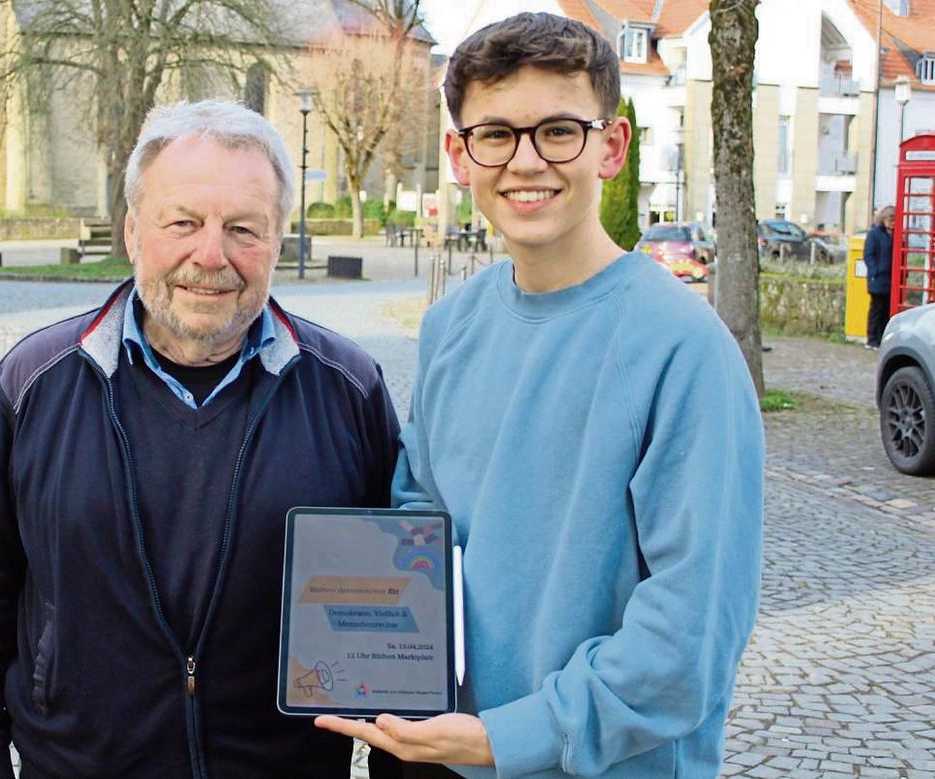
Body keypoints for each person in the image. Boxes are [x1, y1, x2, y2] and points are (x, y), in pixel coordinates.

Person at [317, 13, 764, 778]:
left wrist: (506, 738)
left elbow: (688, 638)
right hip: (446, 757)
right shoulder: (452, 325)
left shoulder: (685, 351)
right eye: (495, 134)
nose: (526, 162)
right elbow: (421, 524)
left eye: (559, 130)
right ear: (459, 154)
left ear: (611, 146)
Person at [0, 100, 400, 778]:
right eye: (183, 222)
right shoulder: (33, 383)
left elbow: (391, 622)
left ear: (279, 239)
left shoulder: (348, 390)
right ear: (132, 231)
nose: (211, 255)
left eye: (244, 228)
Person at [865, 205, 895, 349]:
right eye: (890, 219)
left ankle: (883, 338)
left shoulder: (896, 234)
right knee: (876, 309)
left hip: (892, 278)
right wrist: (874, 271)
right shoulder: (875, 234)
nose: (893, 223)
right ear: (884, 219)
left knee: (887, 311)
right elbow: (868, 254)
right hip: (878, 277)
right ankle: (871, 339)